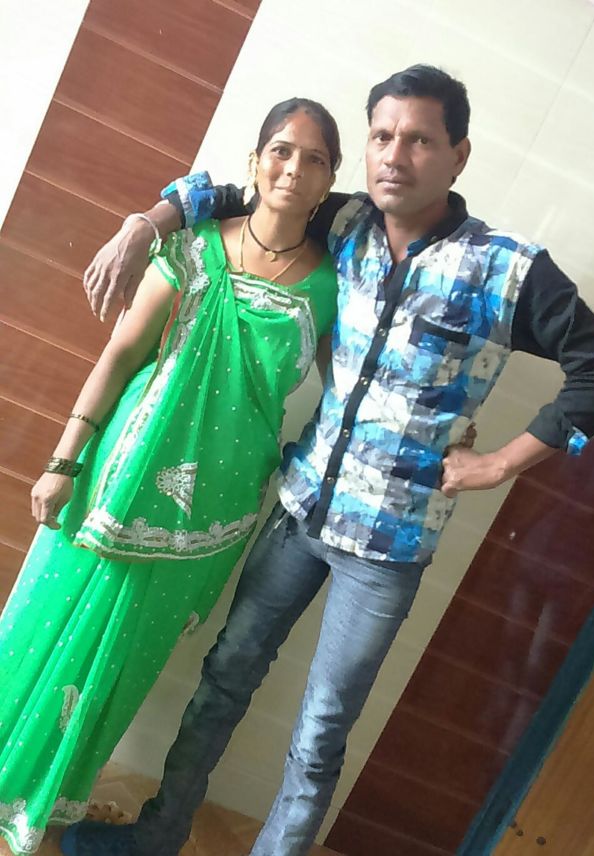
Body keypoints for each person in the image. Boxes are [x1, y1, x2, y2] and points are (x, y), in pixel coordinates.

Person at [62, 65, 594, 856]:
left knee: (318, 735)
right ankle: (157, 838)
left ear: (459, 155)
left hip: (388, 547)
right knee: (223, 680)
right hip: (300, 510)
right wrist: (144, 224)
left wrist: (501, 462)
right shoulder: (345, 222)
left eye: (420, 140)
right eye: (381, 136)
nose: (395, 155)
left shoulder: (502, 269)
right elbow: (237, 193)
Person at [0, 97, 344, 856]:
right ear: (254, 162)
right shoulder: (193, 251)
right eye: (281, 151)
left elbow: (348, 392)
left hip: (212, 514)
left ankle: (52, 804)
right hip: (118, 480)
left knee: (123, 665)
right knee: (42, 624)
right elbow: (120, 355)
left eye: (314, 159)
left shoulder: (329, 290)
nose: (294, 168)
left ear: (329, 182)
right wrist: (63, 461)